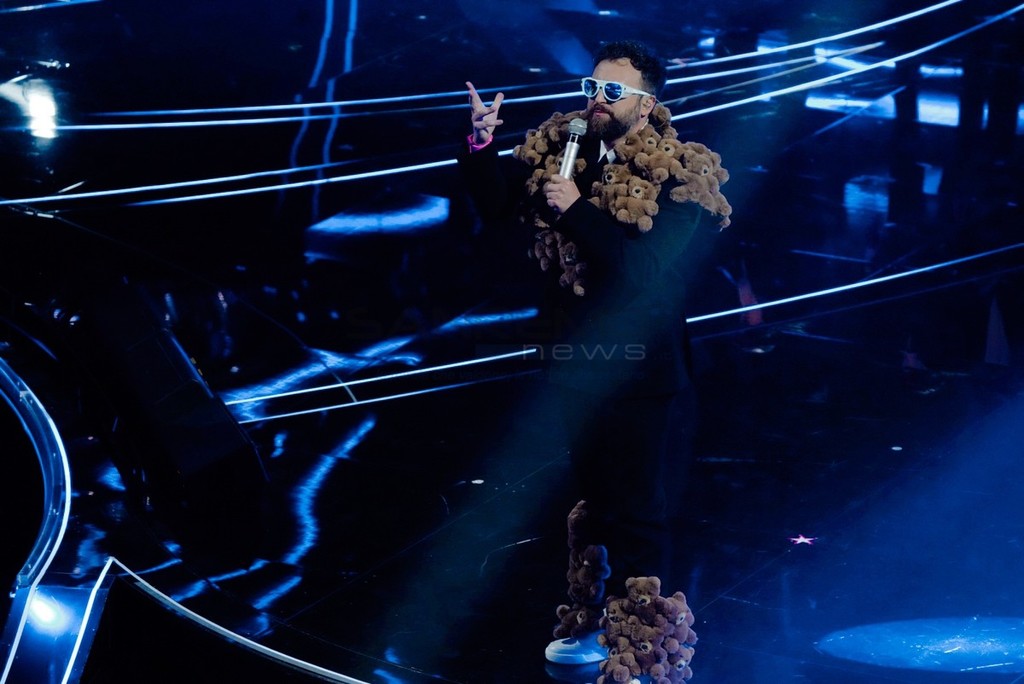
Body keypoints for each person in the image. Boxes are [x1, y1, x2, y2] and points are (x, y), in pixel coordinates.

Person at [458, 40, 723, 662]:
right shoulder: (562, 147)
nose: (597, 101)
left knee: (636, 510)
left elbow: (645, 271)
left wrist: (577, 211)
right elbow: (496, 204)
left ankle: (647, 647)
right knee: (592, 502)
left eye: (612, 92)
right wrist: (481, 145)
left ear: (646, 104)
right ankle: (595, 618)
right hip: (575, 360)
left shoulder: (682, 173)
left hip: (638, 369)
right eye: (591, 87)